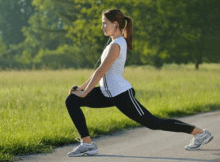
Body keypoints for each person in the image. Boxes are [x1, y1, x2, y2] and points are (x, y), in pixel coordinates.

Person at [65, 9, 213, 157]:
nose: (102, 26)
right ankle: (88, 144)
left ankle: (199, 133)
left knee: (154, 123)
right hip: (107, 93)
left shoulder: (117, 45)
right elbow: (98, 71)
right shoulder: (112, 44)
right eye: (102, 24)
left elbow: (101, 72)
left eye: (105, 23)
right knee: (72, 100)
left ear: (115, 24)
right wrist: (81, 89)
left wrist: (85, 93)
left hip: (122, 95)